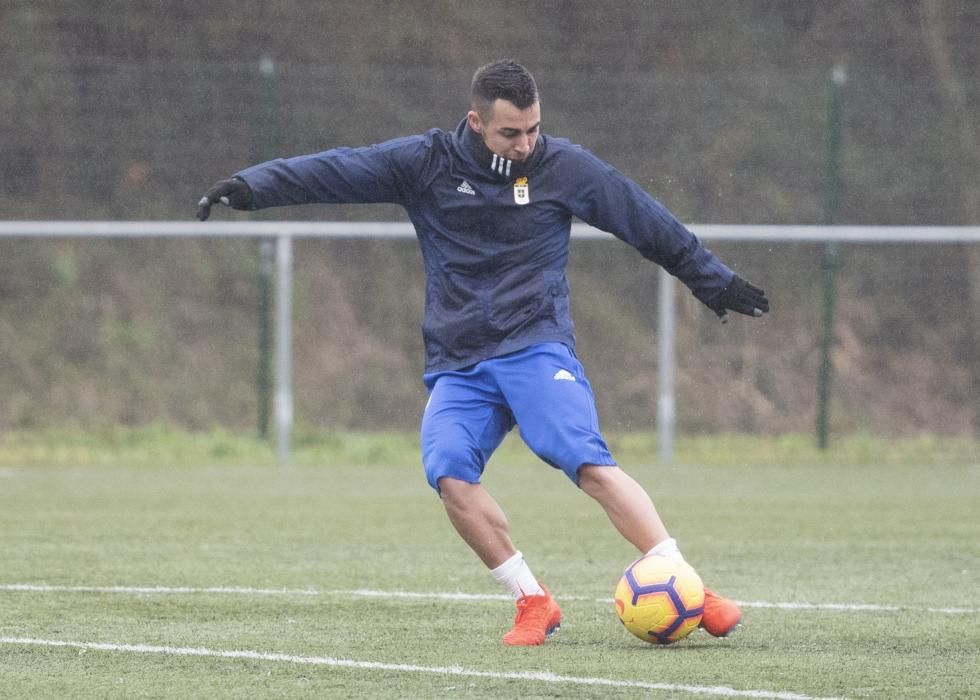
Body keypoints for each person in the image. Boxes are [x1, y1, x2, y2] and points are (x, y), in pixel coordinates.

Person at [197, 59, 768, 646]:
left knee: (585, 460)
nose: (526, 144)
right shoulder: (426, 163)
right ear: (475, 122)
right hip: (460, 360)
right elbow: (336, 171)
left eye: (534, 129)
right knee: (447, 472)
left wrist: (713, 280)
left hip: (535, 344)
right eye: (510, 133)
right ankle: (532, 600)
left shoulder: (564, 167)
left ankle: (686, 586)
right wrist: (250, 186)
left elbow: (646, 221)